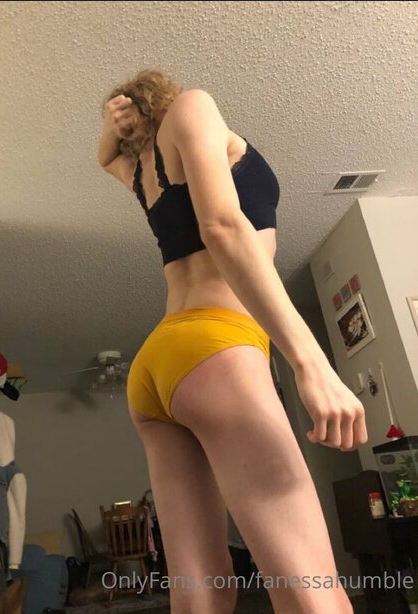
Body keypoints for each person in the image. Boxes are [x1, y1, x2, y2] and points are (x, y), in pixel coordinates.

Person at [98, 69, 368, 614]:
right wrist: (310, 362)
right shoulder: (192, 107)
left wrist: (111, 128)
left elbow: (106, 158)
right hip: (216, 345)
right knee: (313, 591)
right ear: (164, 94)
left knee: (199, 593)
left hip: (157, 370)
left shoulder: (142, 172)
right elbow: (222, 226)